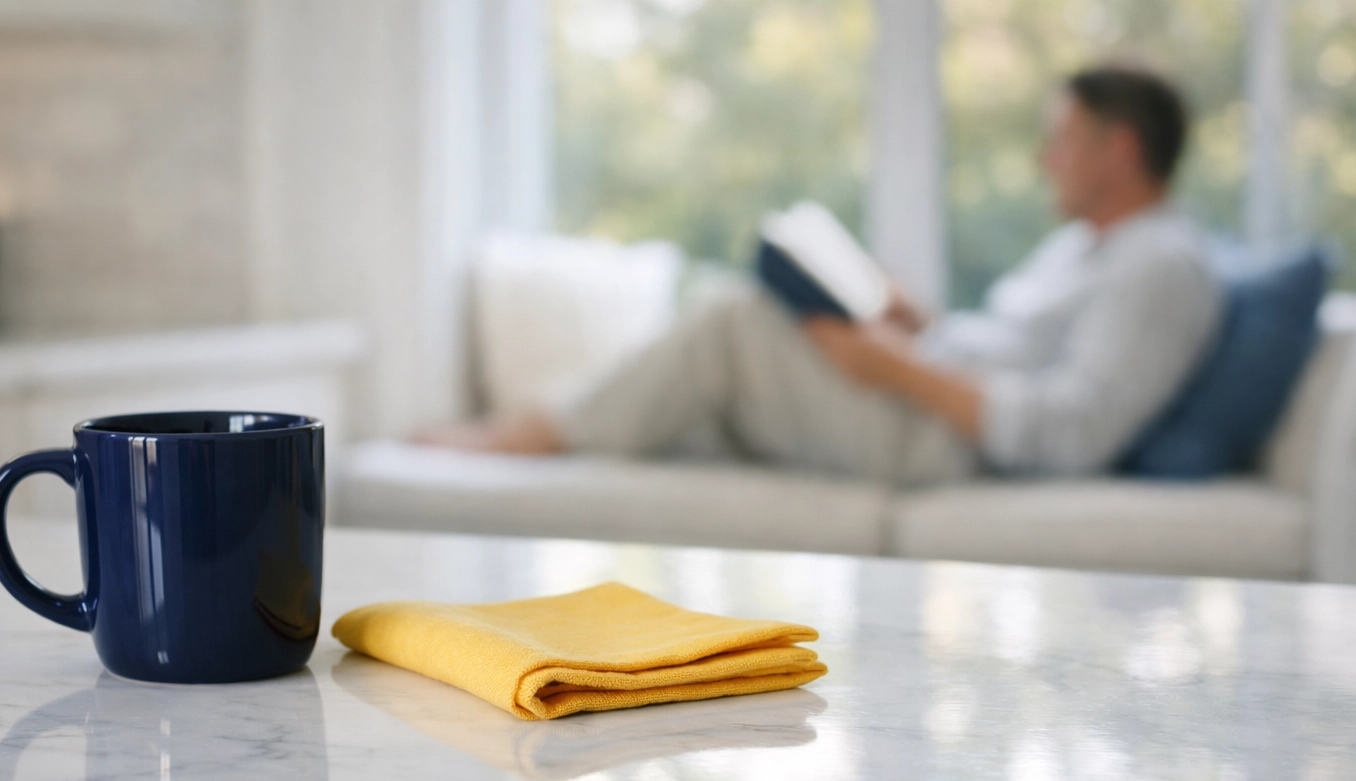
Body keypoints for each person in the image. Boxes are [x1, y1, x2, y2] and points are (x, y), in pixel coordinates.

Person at [417, 65, 1222, 485]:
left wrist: (896, 368)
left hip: (943, 442)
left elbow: (1074, 431)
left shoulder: (1161, 265)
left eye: (1063, 141)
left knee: (733, 319)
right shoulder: (1086, 246)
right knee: (701, 392)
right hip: (925, 402)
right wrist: (917, 322)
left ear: (1121, 150)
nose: (1047, 160)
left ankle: (528, 434)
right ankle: (550, 428)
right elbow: (1012, 350)